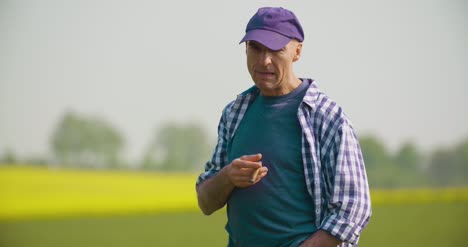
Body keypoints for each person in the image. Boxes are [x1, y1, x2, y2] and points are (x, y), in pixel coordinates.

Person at [196, 7, 371, 247]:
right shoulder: (235, 112)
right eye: (255, 48)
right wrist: (228, 176)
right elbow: (205, 202)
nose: (263, 60)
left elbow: (353, 209)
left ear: (297, 51)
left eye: (275, 49)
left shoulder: (327, 117)